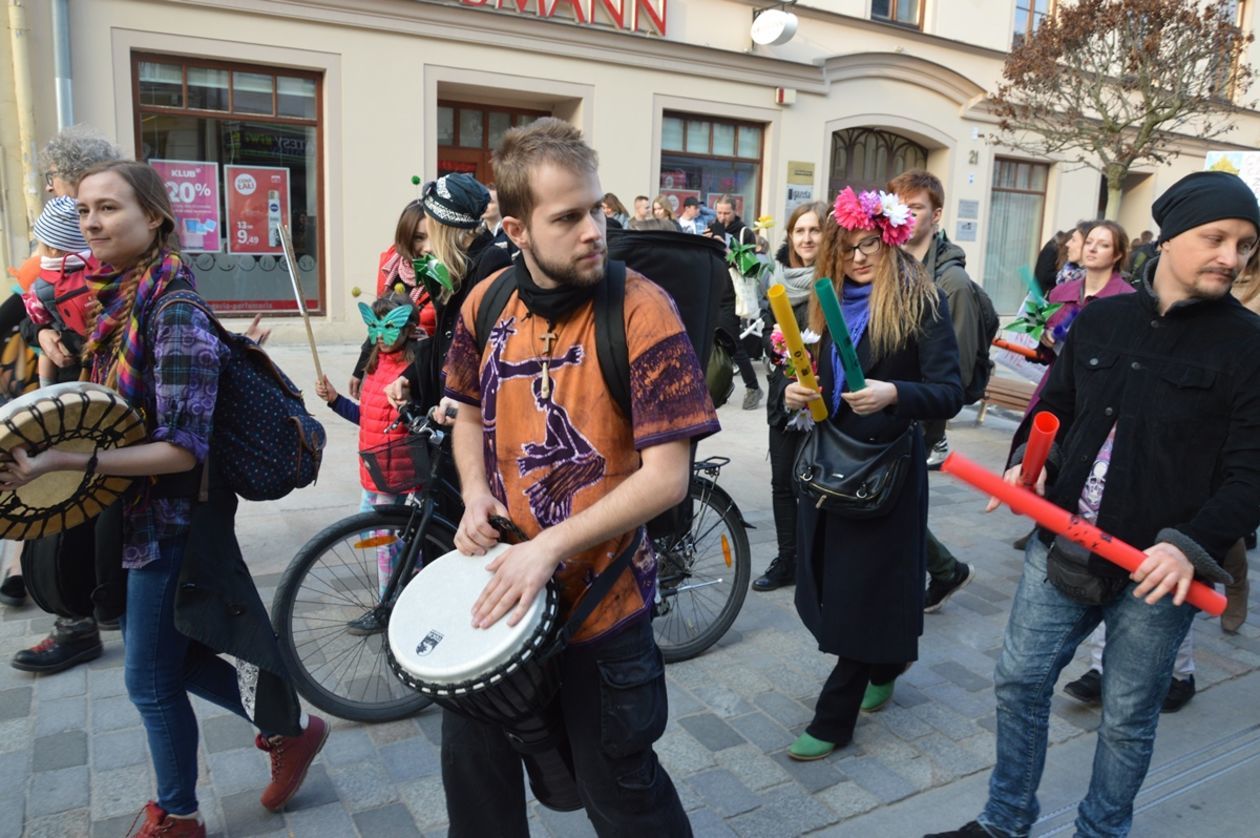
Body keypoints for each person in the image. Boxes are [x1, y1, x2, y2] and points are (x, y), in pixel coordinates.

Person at [0, 160, 328, 837]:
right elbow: (104, 408)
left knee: (147, 678)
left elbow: (182, 448)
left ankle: (178, 813)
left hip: (173, 519)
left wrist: (69, 460)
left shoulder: (172, 310)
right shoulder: (118, 301)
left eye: (109, 208)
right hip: (137, 512)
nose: (91, 221)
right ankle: (287, 731)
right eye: (84, 209)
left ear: (153, 218)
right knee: (170, 658)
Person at [928, 170, 1260, 838]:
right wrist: (1030, 464)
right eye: (1216, 237)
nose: (1234, 256)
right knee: (1020, 682)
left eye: (1247, 244)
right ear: (1169, 238)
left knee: (1128, 716)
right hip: (1064, 545)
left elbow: (1251, 472)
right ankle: (1004, 820)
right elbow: (1056, 404)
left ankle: (1101, 830)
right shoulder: (1103, 318)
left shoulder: (1247, 345)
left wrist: (1189, 545)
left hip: (1156, 572)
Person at [439, 117, 716, 836]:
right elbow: (466, 412)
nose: (594, 228)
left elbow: (667, 479)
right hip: (500, 595)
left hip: (605, 606)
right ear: (517, 229)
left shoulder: (644, 310)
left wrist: (549, 547)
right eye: (568, 217)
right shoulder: (485, 301)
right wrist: (473, 493)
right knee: (477, 790)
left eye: (596, 208)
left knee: (623, 797)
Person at [784, 186, 963, 761]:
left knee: (863, 589)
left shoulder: (922, 304)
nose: (859, 257)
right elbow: (820, 376)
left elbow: (950, 392)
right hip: (829, 460)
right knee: (828, 581)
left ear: (890, 243)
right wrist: (797, 391)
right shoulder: (826, 299)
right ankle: (887, 658)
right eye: (849, 247)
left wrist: (894, 393)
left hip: (887, 469)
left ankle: (834, 716)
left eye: (871, 246)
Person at [6, 126, 121, 671]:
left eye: (55, 178)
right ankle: (79, 614)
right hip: (74, 396)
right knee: (68, 503)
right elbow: (27, 302)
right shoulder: (59, 230)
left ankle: (90, 612)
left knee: (84, 505)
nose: (51, 187)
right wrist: (41, 335)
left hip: (111, 400)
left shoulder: (110, 232)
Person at [887, 171, 978, 621]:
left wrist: (928, 425)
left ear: (936, 215)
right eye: (897, 205)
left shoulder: (951, 283)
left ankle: (939, 573)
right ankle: (945, 570)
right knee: (890, 505)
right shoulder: (884, 261)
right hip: (885, 410)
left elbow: (951, 378)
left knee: (892, 506)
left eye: (915, 207)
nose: (903, 215)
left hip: (916, 417)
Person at [316, 293, 423, 630]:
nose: (379, 334)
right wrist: (334, 401)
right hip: (374, 472)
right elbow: (368, 418)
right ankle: (405, 598)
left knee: (389, 546)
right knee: (383, 542)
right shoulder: (375, 365)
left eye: (389, 326)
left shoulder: (416, 367)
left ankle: (390, 608)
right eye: (374, 327)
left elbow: (420, 418)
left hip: (401, 476)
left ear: (408, 328)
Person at [383, 173, 512, 420]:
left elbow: (493, 350)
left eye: (429, 229)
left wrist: (465, 399)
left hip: (468, 414)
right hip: (446, 407)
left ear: (445, 227)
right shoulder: (449, 267)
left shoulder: (491, 261)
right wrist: (409, 378)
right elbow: (445, 344)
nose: (426, 246)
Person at [750, 200, 827, 592]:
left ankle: (816, 562)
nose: (807, 237)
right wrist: (777, 349)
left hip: (826, 396)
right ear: (790, 236)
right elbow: (766, 329)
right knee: (782, 483)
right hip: (785, 394)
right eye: (800, 230)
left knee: (815, 485)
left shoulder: (836, 279)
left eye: (815, 230)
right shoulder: (774, 277)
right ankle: (788, 560)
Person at [1025, 220, 1131, 416]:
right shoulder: (1060, 292)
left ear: (1117, 255)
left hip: (1098, 401)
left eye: (1103, 245)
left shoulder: (1128, 300)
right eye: (1089, 242)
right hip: (1054, 393)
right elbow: (1047, 349)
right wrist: (1044, 339)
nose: (1092, 249)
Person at [22, 196, 95, 389]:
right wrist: (40, 333)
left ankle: (45, 388)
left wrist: (42, 330)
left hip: (68, 371)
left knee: (46, 352)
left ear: (52, 249)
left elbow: (35, 317)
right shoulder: (99, 269)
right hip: (98, 373)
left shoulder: (43, 283)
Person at [708, 195, 764, 410]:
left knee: (734, 343)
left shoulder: (744, 232)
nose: (722, 217)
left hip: (733, 296)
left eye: (726, 213)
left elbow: (749, 267)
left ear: (735, 210)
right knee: (711, 344)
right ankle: (717, 385)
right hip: (713, 291)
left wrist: (728, 250)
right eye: (719, 213)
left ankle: (753, 387)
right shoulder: (711, 228)